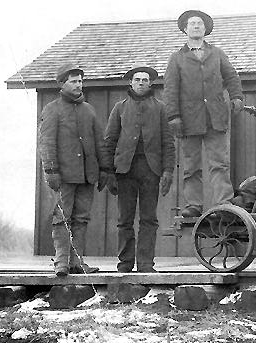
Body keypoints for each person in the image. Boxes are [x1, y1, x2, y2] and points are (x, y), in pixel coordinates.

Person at [164, 9, 244, 218]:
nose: (196, 26)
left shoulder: (217, 54)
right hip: (189, 120)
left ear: (206, 29)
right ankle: (193, 205)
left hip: (215, 117)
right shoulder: (177, 59)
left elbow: (232, 77)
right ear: (185, 29)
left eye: (200, 23)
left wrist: (237, 97)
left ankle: (223, 203)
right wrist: (173, 116)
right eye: (192, 23)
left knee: (219, 163)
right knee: (191, 166)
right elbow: (170, 89)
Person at [38, 63, 110, 276]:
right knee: (62, 217)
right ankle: (61, 262)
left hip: (87, 175)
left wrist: (104, 169)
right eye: (74, 81)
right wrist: (51, 170)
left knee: (81, 218)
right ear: (62, 84)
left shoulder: (89, 110)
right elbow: (47, 142)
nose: (79, 85)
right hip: (65, 175)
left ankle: (76, 263)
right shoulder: (52, 109)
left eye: (80, 81)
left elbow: (100, 142)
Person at [103, 65, 175, 273]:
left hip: (150, 171)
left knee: (148, 219)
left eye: (145, 80)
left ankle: (145, 264)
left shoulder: (160, 108)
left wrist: (168, 171)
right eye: (137, 79)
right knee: (124, 219)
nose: (141, 83)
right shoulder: (120, 108)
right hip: (125, 171)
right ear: (131, 82)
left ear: (150, 83)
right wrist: (108, 172)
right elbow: (109, 141)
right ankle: (125, 263)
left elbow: (168, 143)